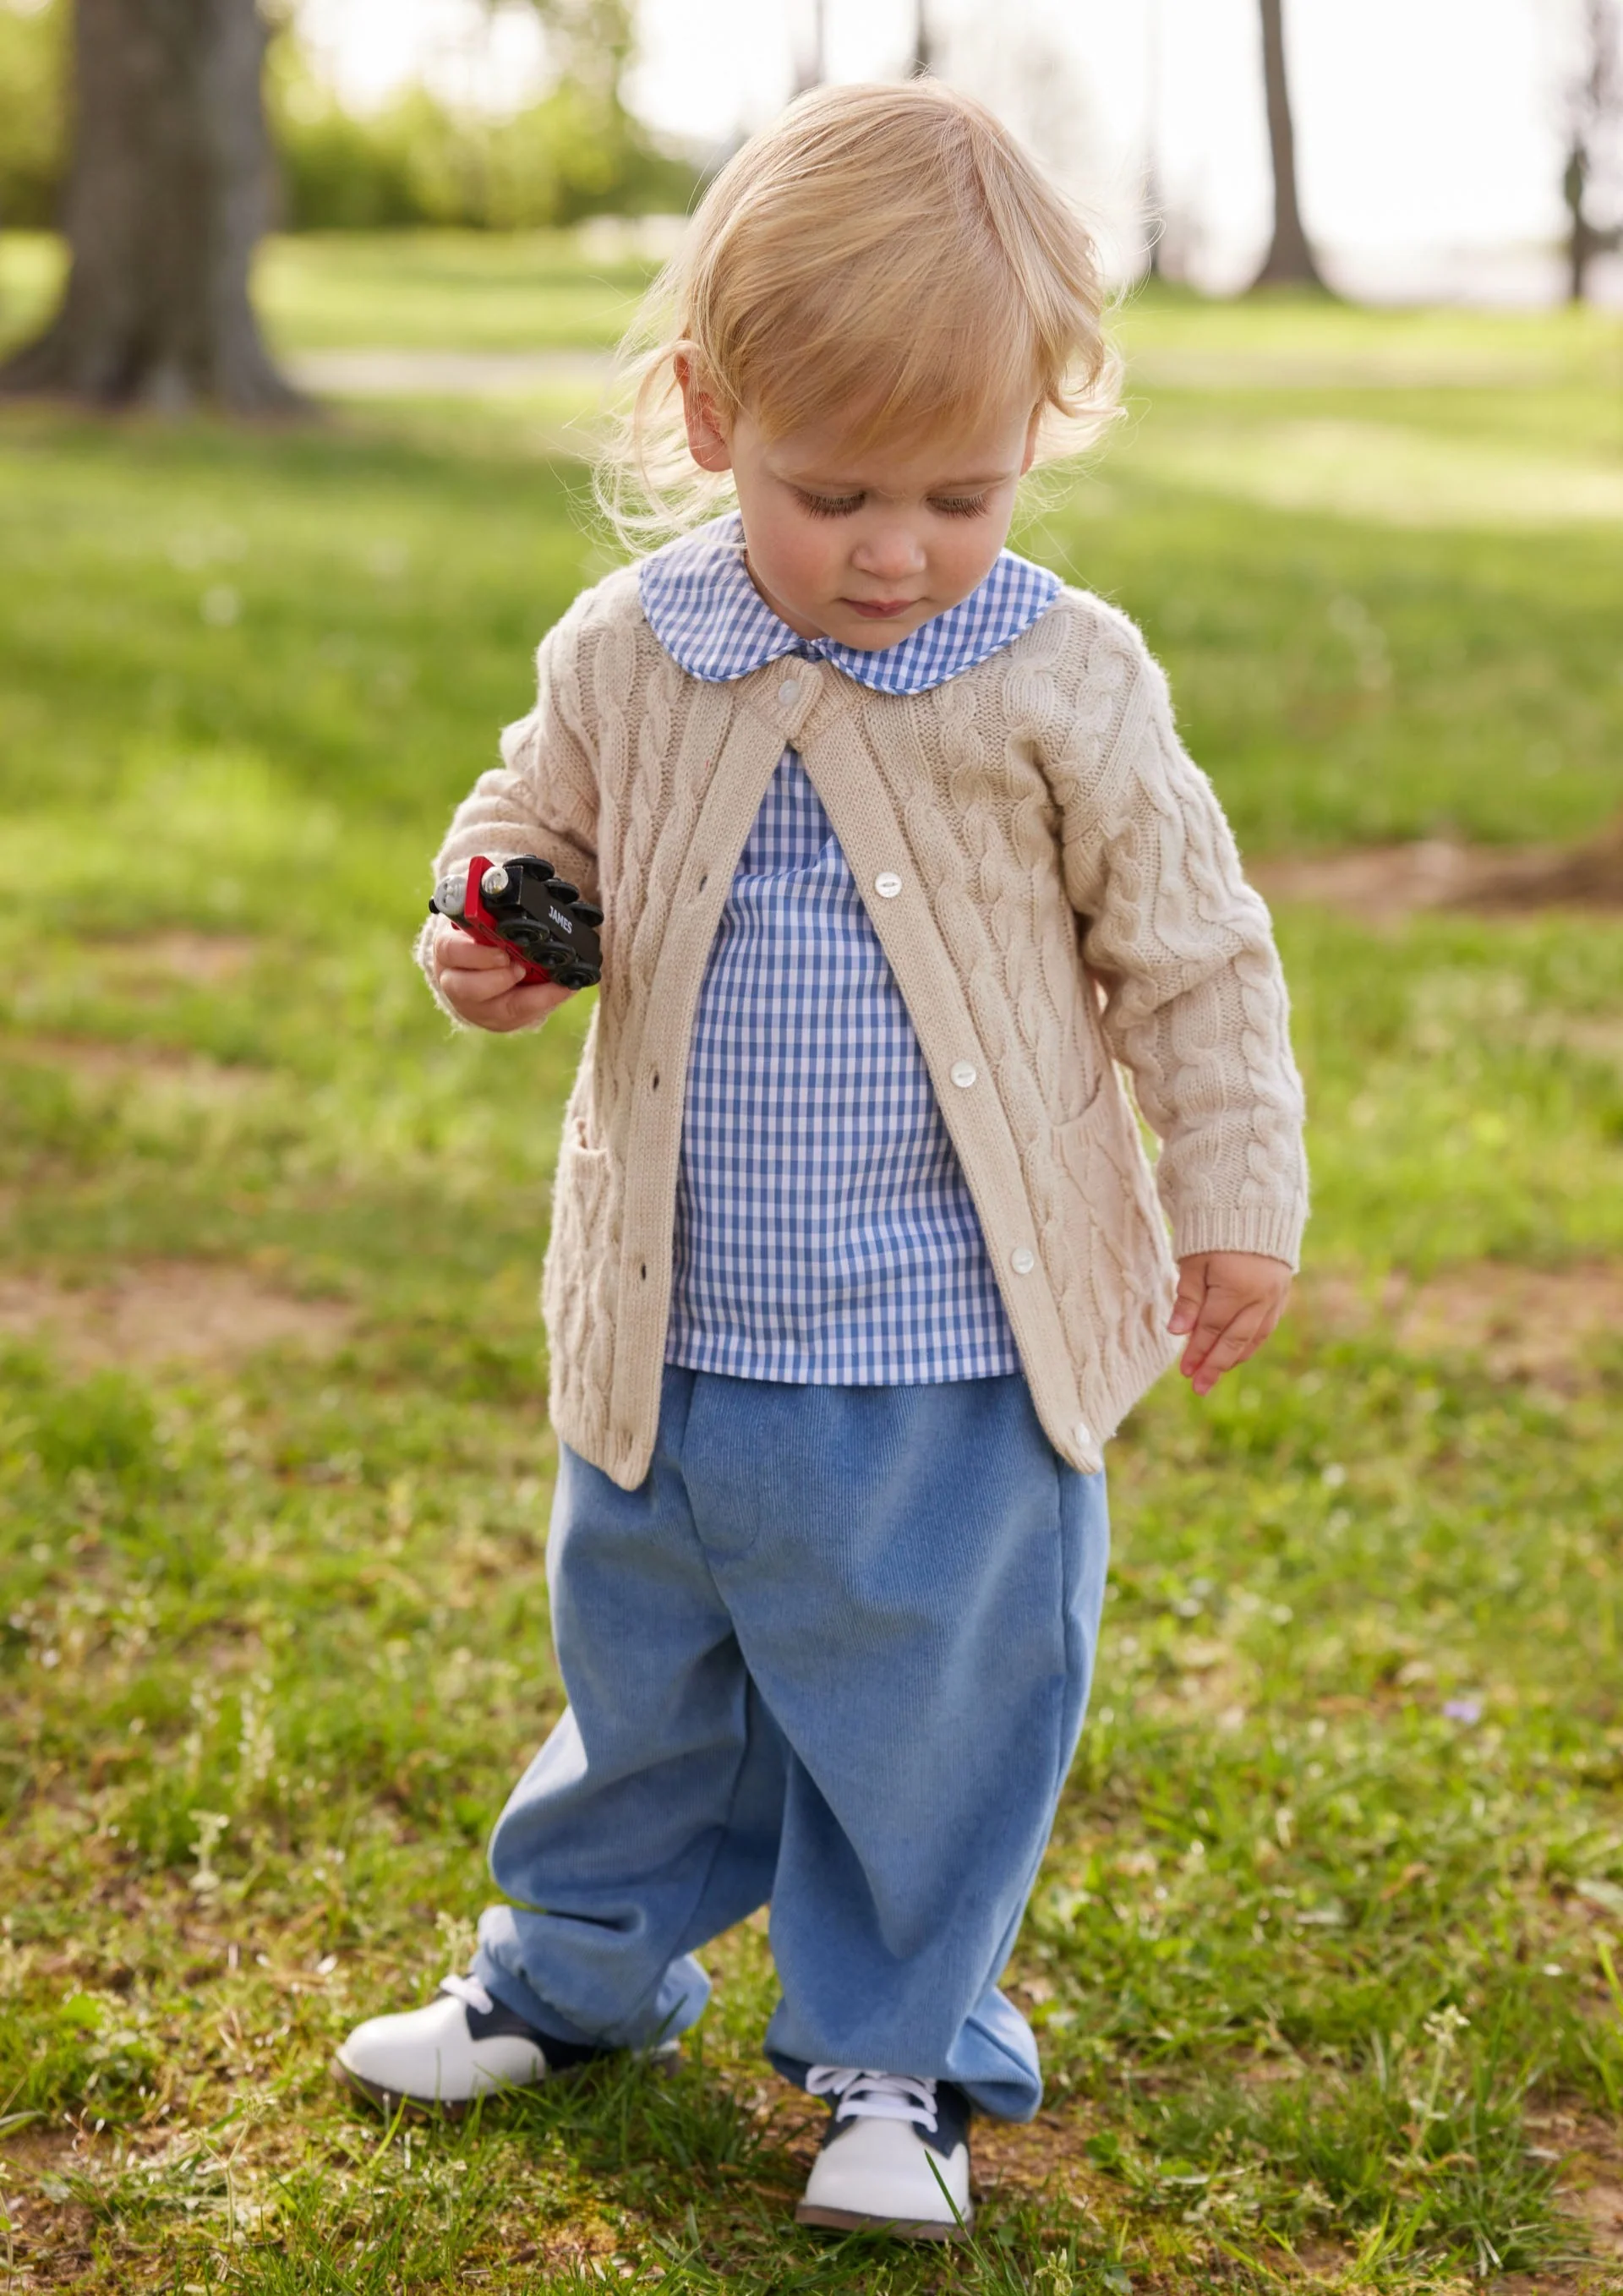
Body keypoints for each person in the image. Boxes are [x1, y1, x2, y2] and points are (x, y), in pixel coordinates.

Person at [336, 79, 1307, 2241]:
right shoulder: (633, 649)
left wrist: (1236, 1191)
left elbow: (1194, 947)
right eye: (832, 486)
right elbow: (523, 832)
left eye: (960, 491)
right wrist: (482, 928)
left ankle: (899, 2060)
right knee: (644, 1682)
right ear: (707, 414)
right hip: (673, 1331)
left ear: (1040, 438)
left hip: (945, 1351)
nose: (894, 546)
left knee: (930, 1716)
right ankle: (574, 1974)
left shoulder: (1061, 677)